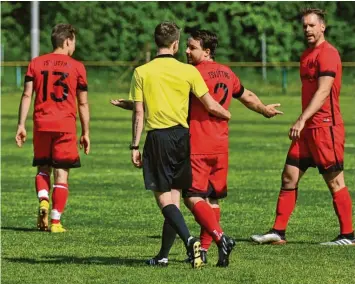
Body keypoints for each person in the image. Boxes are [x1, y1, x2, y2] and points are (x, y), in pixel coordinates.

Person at [112, 29, 283, 266]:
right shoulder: (226, 72)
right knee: (212, 199)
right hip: (221, 144)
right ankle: (203, 250)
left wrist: (131, 106)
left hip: (196, 143)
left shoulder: (193, 73)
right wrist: (264, 109)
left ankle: (218, 238)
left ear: (207, 51)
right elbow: (246, 95)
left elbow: (170, 103)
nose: (187, 51)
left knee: (191, 197)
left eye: (192, 48)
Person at [128, 22, 231, 269]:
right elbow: (209, 104)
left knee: (165, 202)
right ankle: (163, 255)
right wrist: (226, 114)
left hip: (159, 138)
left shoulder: (142, 72)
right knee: (174, 199)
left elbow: (139, 112)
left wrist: (134, 145)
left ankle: (189, 240)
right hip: (184, 139)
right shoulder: (189, 72)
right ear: (175, 44)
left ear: (157, 42)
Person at [251, 8, 354, 245]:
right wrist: (304, 122)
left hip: (325, 127)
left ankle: (348, 236)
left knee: (335, 181)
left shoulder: (328, 54)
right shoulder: (307, 54)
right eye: (304, 26)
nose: (307, 29)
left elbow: (324, 91)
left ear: (322, 27)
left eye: (311, 25)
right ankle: (278, 232)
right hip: (308, 129)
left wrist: (301, 119)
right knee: (289, 176)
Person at [15, 24, 90, 233]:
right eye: (73, 42)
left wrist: (21, 125)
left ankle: (43, 200)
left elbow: (27, 95)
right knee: (62, 174)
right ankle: (56, 221)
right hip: (65, 126)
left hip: (41, 123)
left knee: (42, 169)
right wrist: (85, 132)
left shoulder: (36, 63)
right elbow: (82, 103)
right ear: (67, 41)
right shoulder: (77, 67)